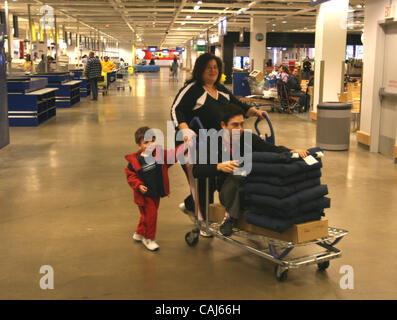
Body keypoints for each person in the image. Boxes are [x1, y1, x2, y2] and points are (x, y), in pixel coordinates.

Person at [170, 52, 265, 236]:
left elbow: (237, 104)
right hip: (190, 144)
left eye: (215, 67)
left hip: (214, 144)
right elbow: (176, 109)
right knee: (201, 182)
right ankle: (202, 222)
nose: (212, 71)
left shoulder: (221, 90)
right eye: (209, 67)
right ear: (201, 70)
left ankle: (191, 204)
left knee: (215, 179)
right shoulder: (192, 89)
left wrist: (254, 111)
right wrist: (183, 128)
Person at [193, 104, 309, 236]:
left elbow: (272, 149)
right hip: (228, 190)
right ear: (223, 125)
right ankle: (230, 217)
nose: (240, 129)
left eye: (242, 124)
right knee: (237, 175)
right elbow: (197, 170)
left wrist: (292, 151)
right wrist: (219, 166)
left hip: (251, 188)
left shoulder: (248, 138)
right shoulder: (212, 142)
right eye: (235, 125)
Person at [124, 127, 183, 251]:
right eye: (146, 142)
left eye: (152, 141)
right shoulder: (135, 162)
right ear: (139, 145)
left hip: (156, 193)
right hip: (144, 196)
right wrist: (138, 185)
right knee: (151, 216)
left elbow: (174, 155)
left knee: (147, 215)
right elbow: (131, 176)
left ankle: (139, 233)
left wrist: (186, 144)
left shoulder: (160, 155)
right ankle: (148, 238)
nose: (150, 145)